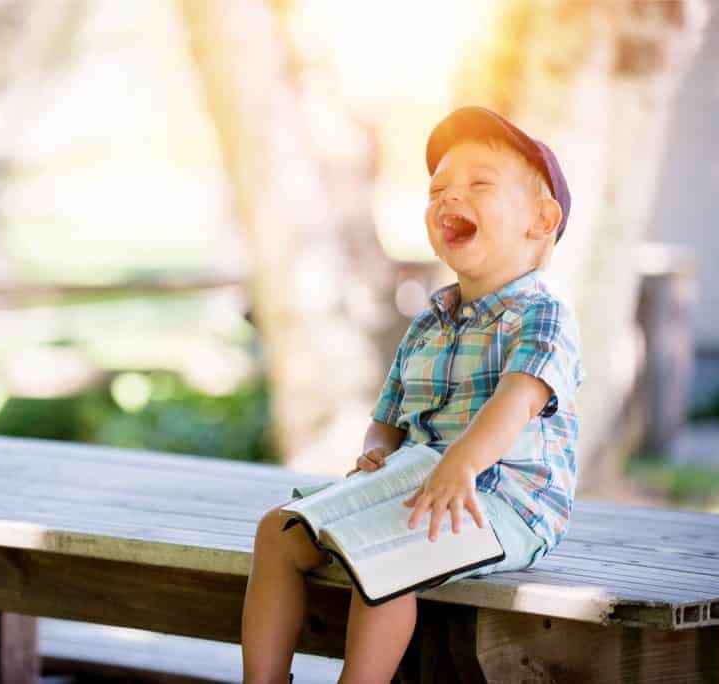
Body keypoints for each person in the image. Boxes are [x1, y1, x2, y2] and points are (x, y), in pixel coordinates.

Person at [240, 106, 586, 683]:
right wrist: (377, 449)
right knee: (278, 531)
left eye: (478, 183)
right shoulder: (430, 320)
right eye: (438, 189)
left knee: (387, 555)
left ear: (541, 220)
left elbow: (517, 400)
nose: (450, 197)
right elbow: (389, 416)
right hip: (418, 481)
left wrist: (462, 463)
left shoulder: (542, 314)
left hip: (506, 501)